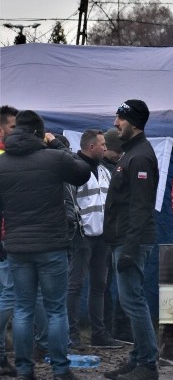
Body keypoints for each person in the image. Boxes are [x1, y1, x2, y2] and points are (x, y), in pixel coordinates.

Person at [0, 110, 91, 380]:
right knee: (55, 310)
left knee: (23, 310)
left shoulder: (2, 164)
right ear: (40, 132)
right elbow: (83, 172)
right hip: (51, 245)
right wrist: (57, 143)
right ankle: (61, 370)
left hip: (17, 247)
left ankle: (25, 370)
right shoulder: (54, 158)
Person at [102, 100, 160, 380]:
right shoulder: (130, 153)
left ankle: (148, 365)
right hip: (124, 239)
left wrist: (129, 248)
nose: (115, 123)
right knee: (132, 300)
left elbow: (140, 206)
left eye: (120, 119)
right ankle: (138, 358)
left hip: (131, 241)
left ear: (134, 122)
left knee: (133, 301)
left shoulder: (140, 157)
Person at [67, 130, 124, 350]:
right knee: (75, 285)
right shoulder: (73, 171)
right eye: (102, 144)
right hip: (81, 237)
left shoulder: (104, 170)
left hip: (102, 237)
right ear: (91, 147)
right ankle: (72, 334)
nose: (105, 147)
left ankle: (98, 334)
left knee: (99, 285)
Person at [101, 127, 132, 345]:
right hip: (106, 234)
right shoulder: (103, 170)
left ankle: (117, 328)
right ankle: (108, 328)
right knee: (103, 285)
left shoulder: (118, 167)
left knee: (118, 284)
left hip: (116, 233)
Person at [0, 105, 18, 376]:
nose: (19, 132)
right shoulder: (5, 157)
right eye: (14, 127)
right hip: (5, 237)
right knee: (8, 295)